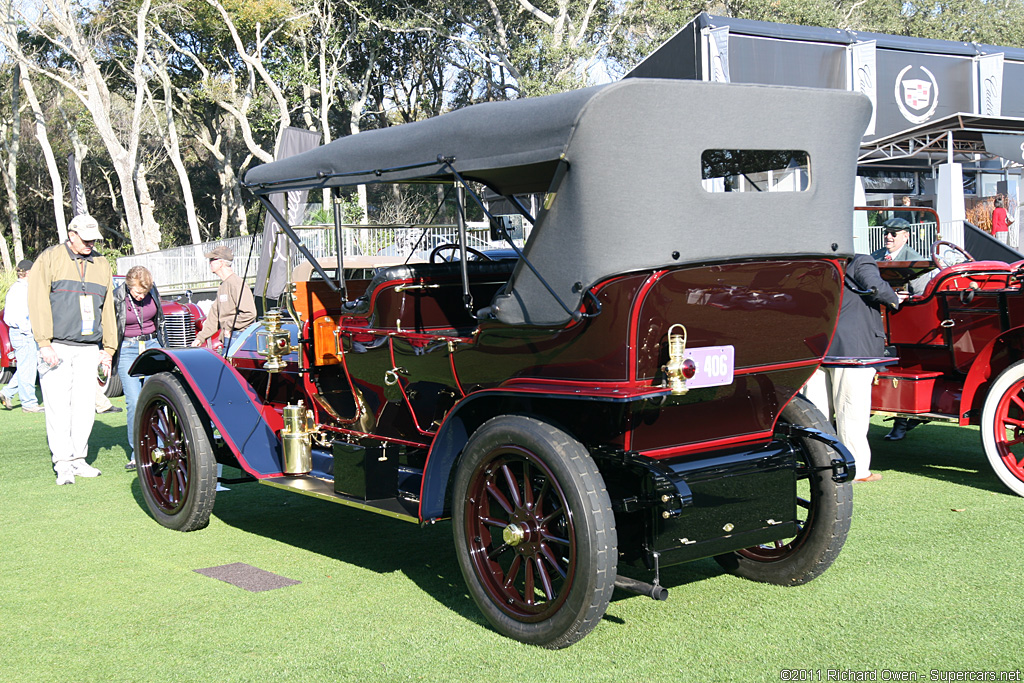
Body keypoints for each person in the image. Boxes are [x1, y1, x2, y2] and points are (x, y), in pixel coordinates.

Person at [28, 214, 117, 485]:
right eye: (86, 238)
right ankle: (63, 463)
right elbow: (38, 301)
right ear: (72, 234)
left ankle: (79, 459)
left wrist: (109, 349)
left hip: (90, 348)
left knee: (84, 407)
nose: (91, 243)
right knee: (57, 406)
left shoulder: (101, 263)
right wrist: (44, 343)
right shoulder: (50, 258)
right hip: (57, 346)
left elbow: (108, 308)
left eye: (94, 239)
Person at [804, 254, 900, 482]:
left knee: (817, 413)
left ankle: (819, 465)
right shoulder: (860, 261)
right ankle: (855, 470)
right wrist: (895, 299)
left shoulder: (818, 264)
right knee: (851, 413)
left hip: (820, 343)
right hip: (852, 349)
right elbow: (874, 286)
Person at [115, 266, 164, 471]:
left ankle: (163, 448)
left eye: (144, 292)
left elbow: (159, 320)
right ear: (128, 286)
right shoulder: (117, 297)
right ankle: (138, 452)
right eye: (137, 292)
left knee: (161, 397)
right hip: (127, 348)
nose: (140, 295)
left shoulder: (153, 292)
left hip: (152, 345)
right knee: (135, 401)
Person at [191, 246, 256, 349]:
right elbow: (213, 318)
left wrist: (228, 327)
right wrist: (200, 338)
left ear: (221, 263)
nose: (209, 263)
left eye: (212, 259)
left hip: (239, 338)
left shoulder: (236, 283)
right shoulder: (223, 286)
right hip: (228, 338)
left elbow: (250, 313)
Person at [1, 259, 44, 412]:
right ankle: (29, 403)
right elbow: (21, 315)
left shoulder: (17, 288)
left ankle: (7, 392)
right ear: (29, 272)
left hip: (19, 332)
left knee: (26, 367)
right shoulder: (22, 290)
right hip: (23, 332)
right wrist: (28, 331)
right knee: (28, 368)